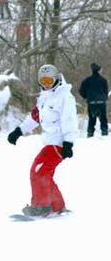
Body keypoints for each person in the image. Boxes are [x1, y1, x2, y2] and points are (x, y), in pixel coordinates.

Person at [7, 64, 77, 216]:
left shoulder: (64, 97)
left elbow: (69, 120)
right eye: (43, 82)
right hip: (49, 141)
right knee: (44, 172)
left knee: (38, 171)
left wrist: (68, 143)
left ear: (57, 79)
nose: (46, 85)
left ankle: (41, 206)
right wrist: (18, 131)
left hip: (59, 143)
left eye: (49, 81)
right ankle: (57, 206)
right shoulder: (44, 98)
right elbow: (34, 118)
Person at [79, 63, 109, 137]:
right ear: (98, 70)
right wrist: (104, 98)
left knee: (92, 119)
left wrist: (86, 97)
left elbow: (81, 91)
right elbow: (106, 91)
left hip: (91, 103)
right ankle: (104, 132)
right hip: (101, 102)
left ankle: (90, 133)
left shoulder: (86, 80)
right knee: (103, 119)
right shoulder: (103, 80)